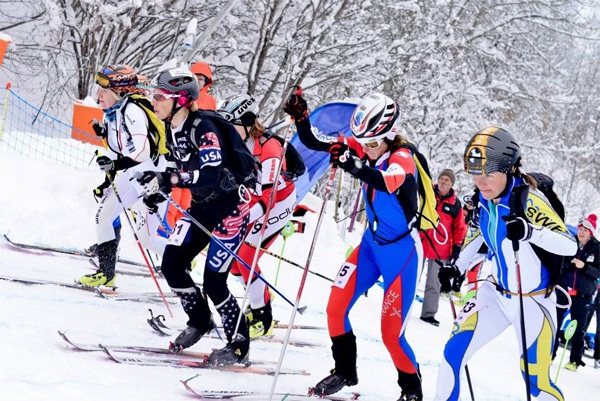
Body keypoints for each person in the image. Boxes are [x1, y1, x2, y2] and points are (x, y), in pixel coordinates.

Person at [285, 92, 425, 401]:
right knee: (335, 308)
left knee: (391, 335)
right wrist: (301, 118)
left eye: (373, 144)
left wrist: (353, 165)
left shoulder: (402, 158)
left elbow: (387, 181)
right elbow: (317, 143)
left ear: (389, 134)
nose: (368, 150)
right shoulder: (365, 147)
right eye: (364, 143)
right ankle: (345, 370)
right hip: (370, 248)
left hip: (402, 255)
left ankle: (412, 391)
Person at [434, 126, 577, 401]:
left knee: (536, 383)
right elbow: (477, 235)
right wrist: (457, 268)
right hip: (495, 294)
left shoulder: (529, 200)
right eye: (476, 175)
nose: (481, 182)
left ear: (509, 168)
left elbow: (569, 245)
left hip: (533, 301)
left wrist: (530, 231)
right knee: (453, 354)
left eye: (488, 175)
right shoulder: (482, 200)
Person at [136, 68, 257, 365]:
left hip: (231, 208)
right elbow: (179, 166)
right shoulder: (171, 125)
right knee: (172, 264)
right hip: (204, 206)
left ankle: (239, 345)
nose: (154, 100)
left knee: (214, 282)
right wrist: (158, 183)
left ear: (180, 99)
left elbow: (209, 174)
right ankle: (200, 320)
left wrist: (170, 181)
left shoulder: (203, 128)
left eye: (160, 96)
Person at [78, 64, 168, 287]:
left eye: (104, 91)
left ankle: (180, 261)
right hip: (133, 173)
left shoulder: (132, 111)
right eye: (99, 89)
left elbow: (141, 151)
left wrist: (115, 164)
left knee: (147, 238)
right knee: (104, 216)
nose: (99, 96)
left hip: (152, 177)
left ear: (119, 92)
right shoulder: (113, 111)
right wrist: (104, 138)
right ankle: (106, 273)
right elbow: (119, 147)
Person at [217, 94, 297, 338]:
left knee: (245, 258)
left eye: (231, 125)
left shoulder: (270, 148)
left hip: (277, 202)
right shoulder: (237, 141)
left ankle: (263, 316)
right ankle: (259, 295)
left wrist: (244, 215)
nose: (226, 131)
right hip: (256, 199)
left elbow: (269, 195)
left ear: (248, 122)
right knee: (232, 262)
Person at [419, 169, 466, 326]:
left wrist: (457, 247)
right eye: (442, 178)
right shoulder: (427, 193)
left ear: (451, 184)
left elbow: (459, 228)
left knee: (434, 282)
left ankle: (428, 314)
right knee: (409, 278)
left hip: (441, 248)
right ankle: (400, 307)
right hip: (420, 242)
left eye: (447, 180)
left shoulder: (455, 204)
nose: (443, 182)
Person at [554, 213, 600, 371]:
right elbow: (560, 262)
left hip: (583, 293)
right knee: (555, 321)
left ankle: (574, 360)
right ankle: (549, 354)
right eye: (580, 228)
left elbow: (598, 272)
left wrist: (585, 267)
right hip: (564, 289)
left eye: (585, 230)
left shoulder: (597, 248)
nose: (581, 232)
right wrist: (569, 265)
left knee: (578, 327)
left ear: (591, 232)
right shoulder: (570, 242)